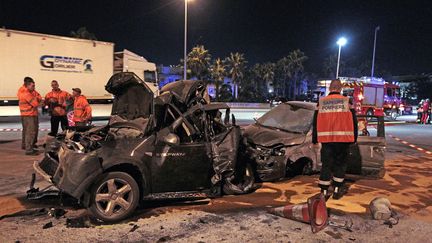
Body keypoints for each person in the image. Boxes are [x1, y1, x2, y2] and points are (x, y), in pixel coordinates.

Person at [312, 79, 358, 200]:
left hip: (326, 141)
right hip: (343, 140)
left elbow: (315, 122)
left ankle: (324, 191)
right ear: (340, 88)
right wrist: (354, 138)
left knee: (326, 165)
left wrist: (314, 139)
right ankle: (337, 190)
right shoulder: (347, 101)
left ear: (330, 88)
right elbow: (354, 122)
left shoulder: (321, 102)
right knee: (340, 164)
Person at [17, 77, 42, 155]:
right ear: (27, 85)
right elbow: (36, 103)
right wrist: (38, 100)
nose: (34, 88)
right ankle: (29, 149)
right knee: (30, 132)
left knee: (26, 131)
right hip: (29, 115)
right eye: (32, 86)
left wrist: (37, 97)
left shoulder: (26, 91)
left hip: (27, 114)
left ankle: (25, 145)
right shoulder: (26, 94)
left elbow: (39, 97)